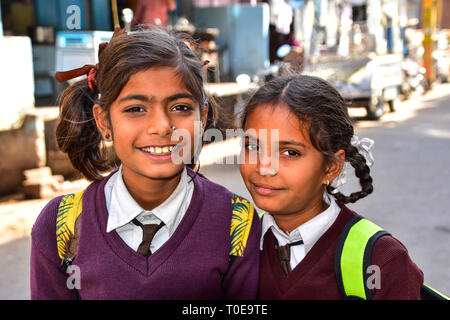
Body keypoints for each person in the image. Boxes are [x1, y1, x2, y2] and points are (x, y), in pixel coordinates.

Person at [30, 27, 261, 299]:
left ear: (202, 115)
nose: (162, 126)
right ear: (104, 121)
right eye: (135, 109)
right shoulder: (60, 225)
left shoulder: (235, 222)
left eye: (181, 107)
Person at [238, 74, 424, 299]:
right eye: (253, 146)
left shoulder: (381, 260)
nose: (264, 166)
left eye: (290, 152)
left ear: (331, 167)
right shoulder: (237, 246)